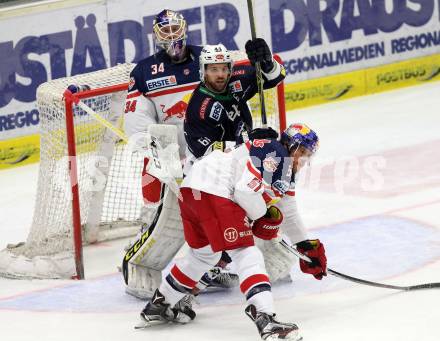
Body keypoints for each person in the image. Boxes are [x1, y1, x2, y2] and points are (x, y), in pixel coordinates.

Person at [138, 124, 327, 341]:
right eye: (301, 152)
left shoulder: (281, 164)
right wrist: (260, 215)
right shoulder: (276, 153)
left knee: (203, 255)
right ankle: (265, 319)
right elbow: (245, 191)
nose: (302, 160)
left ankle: (159, 304)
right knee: (247, 253)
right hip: (215, 190)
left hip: (192, 190)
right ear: (291, 145)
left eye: (307, 156)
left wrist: (305, 246)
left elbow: (289, 211)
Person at [122, 9, 236, 299]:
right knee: (158, 216)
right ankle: (138, 265)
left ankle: (209, 264)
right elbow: (136, 121)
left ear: (185, 29)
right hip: (167, 159)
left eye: (176, 28)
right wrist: (162, 152)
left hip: (206, 157)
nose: (173, 36)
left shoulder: (206, 57)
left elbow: (234, 87)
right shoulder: (145, 71)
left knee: (212, 212)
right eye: (165, 30)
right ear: (156, 35)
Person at [183, 39, 284, 171]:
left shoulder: (238, 79)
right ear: (204, 71)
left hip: (241, 155)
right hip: (205, 169)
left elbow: (276, 78)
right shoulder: (199, 109)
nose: (220, 75)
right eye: (214, 69)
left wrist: (267, 64)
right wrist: (250, 139)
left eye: (224, 68)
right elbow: (207, 152)